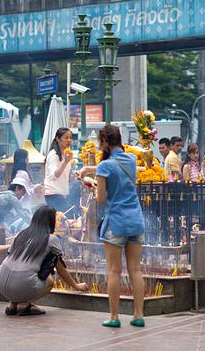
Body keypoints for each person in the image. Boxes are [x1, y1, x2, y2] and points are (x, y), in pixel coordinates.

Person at [80, 125, 145, 328]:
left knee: (114, 271)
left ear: (105, 141)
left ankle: (114, 316)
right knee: (135, 269)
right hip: (136, 220)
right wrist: (92, 171)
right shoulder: (132, 160)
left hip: (116, 221)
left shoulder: (105, 166)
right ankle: (138, 315)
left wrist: (91, 183)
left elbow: (101, 199)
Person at [0, 206, 89, 316]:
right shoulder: (51, 239)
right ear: (51, 221)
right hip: (22, 283)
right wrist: (76, 286)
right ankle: (25, 304)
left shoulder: (22, 234)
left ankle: (12, 304)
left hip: (0, 281)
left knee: (21, 270)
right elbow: (60, 268)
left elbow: (11, 257)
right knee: (49, 281)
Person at [44, 128, 74, 213]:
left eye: (70, 138)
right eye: (66, 138)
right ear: (58, 139)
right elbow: (54, 175)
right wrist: (65, 162)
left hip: (61, 192)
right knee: (69, 215)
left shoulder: (66, 154)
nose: (69, 140)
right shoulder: (54, 155)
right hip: (53, 193)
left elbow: (65, 174)